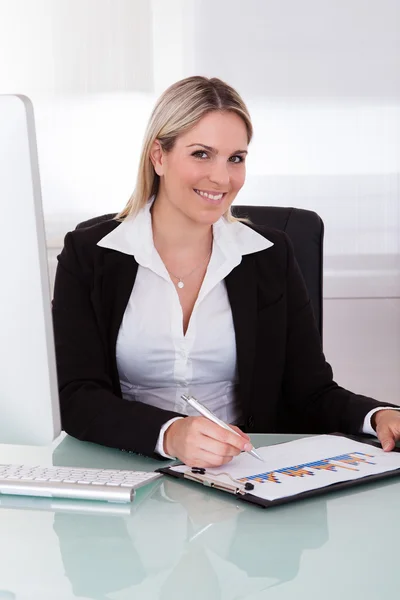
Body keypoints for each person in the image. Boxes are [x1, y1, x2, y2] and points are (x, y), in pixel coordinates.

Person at [52, 76, 400, 468]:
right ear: (159, 156)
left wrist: (379, 416)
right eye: (202, 154)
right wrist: (169, 434)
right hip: (125, 466)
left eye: (236, 158)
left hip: (241, 473)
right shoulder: (90, 254)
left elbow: (310, 391)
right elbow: (76, 395)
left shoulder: (269, 255)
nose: (222, 178)